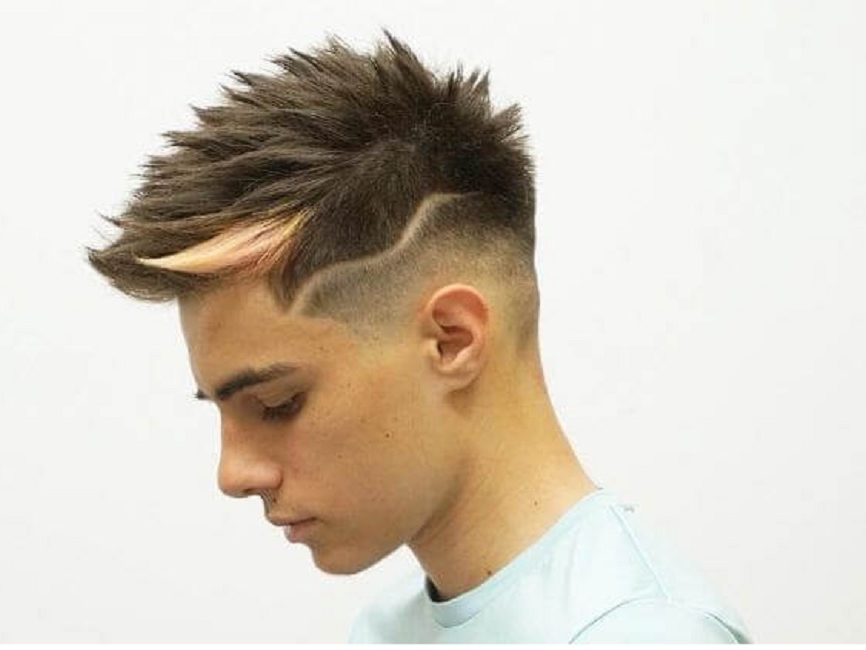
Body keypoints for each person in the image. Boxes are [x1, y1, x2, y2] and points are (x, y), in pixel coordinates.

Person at [86, 30, 752, 643]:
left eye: (278, 404)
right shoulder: (385, 630)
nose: (233, 475)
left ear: (452, 340)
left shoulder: (641, 635)